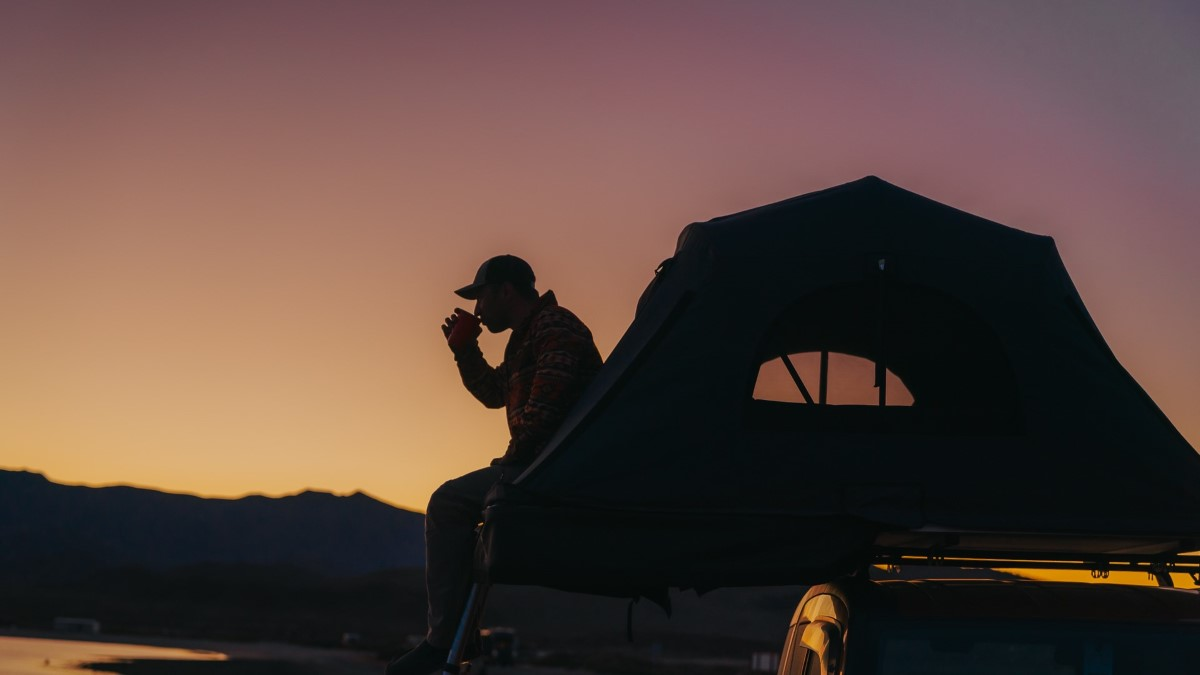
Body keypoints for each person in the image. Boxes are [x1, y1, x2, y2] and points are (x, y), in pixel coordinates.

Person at [387, 254, 603, 675]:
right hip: (541, 463)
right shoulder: (527, 336)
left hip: (558, 469)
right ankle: (454, 638)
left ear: (506, 290)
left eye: (481, 296)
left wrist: (511, 461)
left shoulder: (556, 327)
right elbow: (492, 393)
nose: (477, 309)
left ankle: (443, 641)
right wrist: (465, 350)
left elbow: (543, 412)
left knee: (448, 502)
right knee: (459, 503)